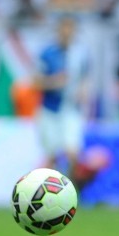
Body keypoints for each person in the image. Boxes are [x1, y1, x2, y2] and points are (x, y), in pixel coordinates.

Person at [33, 15, 90, 183]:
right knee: (51, 155)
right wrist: (54, 82)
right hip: (49, 109)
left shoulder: (81, 54)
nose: (67, 32)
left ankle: (72, 190)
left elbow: (85, 79)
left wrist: (83, 92)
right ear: (58, 31)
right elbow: (36, 82)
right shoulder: (47, 54)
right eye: (64, 28)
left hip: (70, 109)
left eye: (70, 28)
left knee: (73, 152)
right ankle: (50, 191)